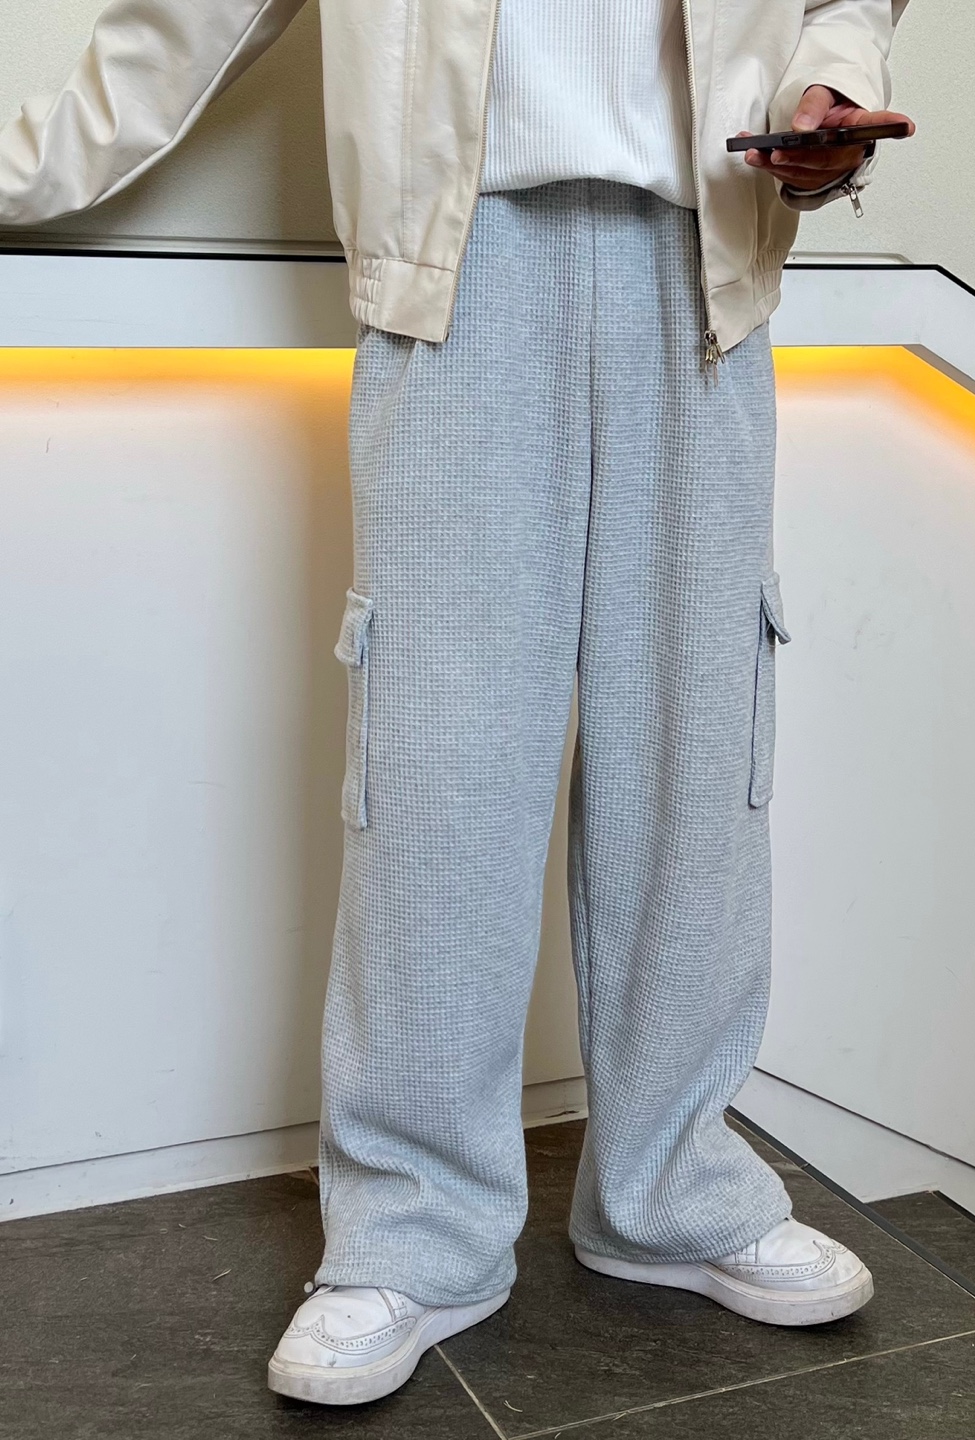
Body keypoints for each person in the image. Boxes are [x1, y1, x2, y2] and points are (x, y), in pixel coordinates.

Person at [0, 0, 914, 1407]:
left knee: (698, 764)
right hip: (461, 258)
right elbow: (177, 24)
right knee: (438, 771)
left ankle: (674, 1194)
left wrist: (833, 79)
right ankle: (414, 1232)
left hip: (708, 259)